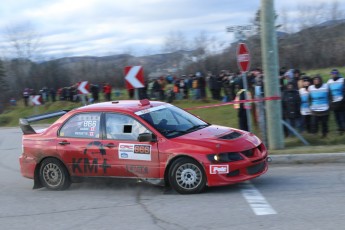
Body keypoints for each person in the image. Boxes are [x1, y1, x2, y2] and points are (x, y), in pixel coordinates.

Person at [326, 69, 345, 134]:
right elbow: (328, 92)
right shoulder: (329, 82)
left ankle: (343, 128)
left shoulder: (342, 80)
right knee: (337, 118)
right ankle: (340, 129)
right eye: (332, 73)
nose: (334, 75)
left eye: (335, 73)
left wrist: (343, 100)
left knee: (342, 117)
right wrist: (330, 101)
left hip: (342, 102)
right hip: (334, 102)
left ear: (337, 74)